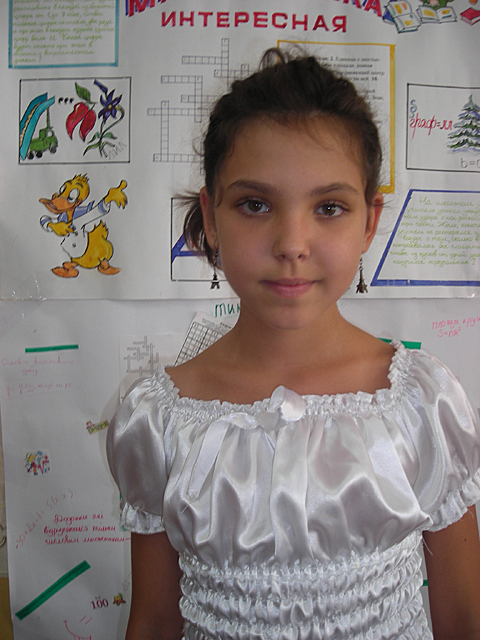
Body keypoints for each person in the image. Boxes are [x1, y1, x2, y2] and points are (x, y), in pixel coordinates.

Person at [107, 49, 480, 640]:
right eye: (255, 205)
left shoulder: (422, 403)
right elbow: (153, 620)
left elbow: (465, 617)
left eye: (328, 207)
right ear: (211, 217)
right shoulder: (157, 421)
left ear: (368, 222)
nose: (292, 242)